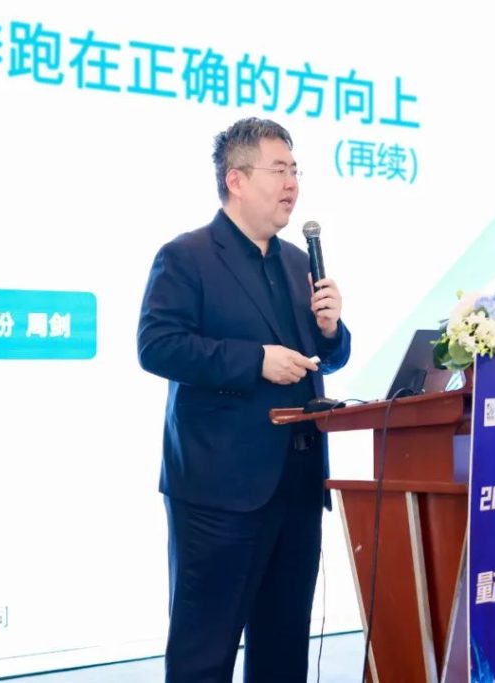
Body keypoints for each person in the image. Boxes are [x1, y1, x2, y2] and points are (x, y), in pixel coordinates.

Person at [137, 117, 351, 682]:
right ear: (236, 179)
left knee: (283, 652)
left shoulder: (299, 262)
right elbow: (157, 346)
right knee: (204, 655)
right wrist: (255, 360)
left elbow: (323, 358)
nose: (292, 183)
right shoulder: (187, 256)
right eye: (279, 170)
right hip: (220, 492)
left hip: (298, 484)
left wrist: (331, 331)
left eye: (295, 170)